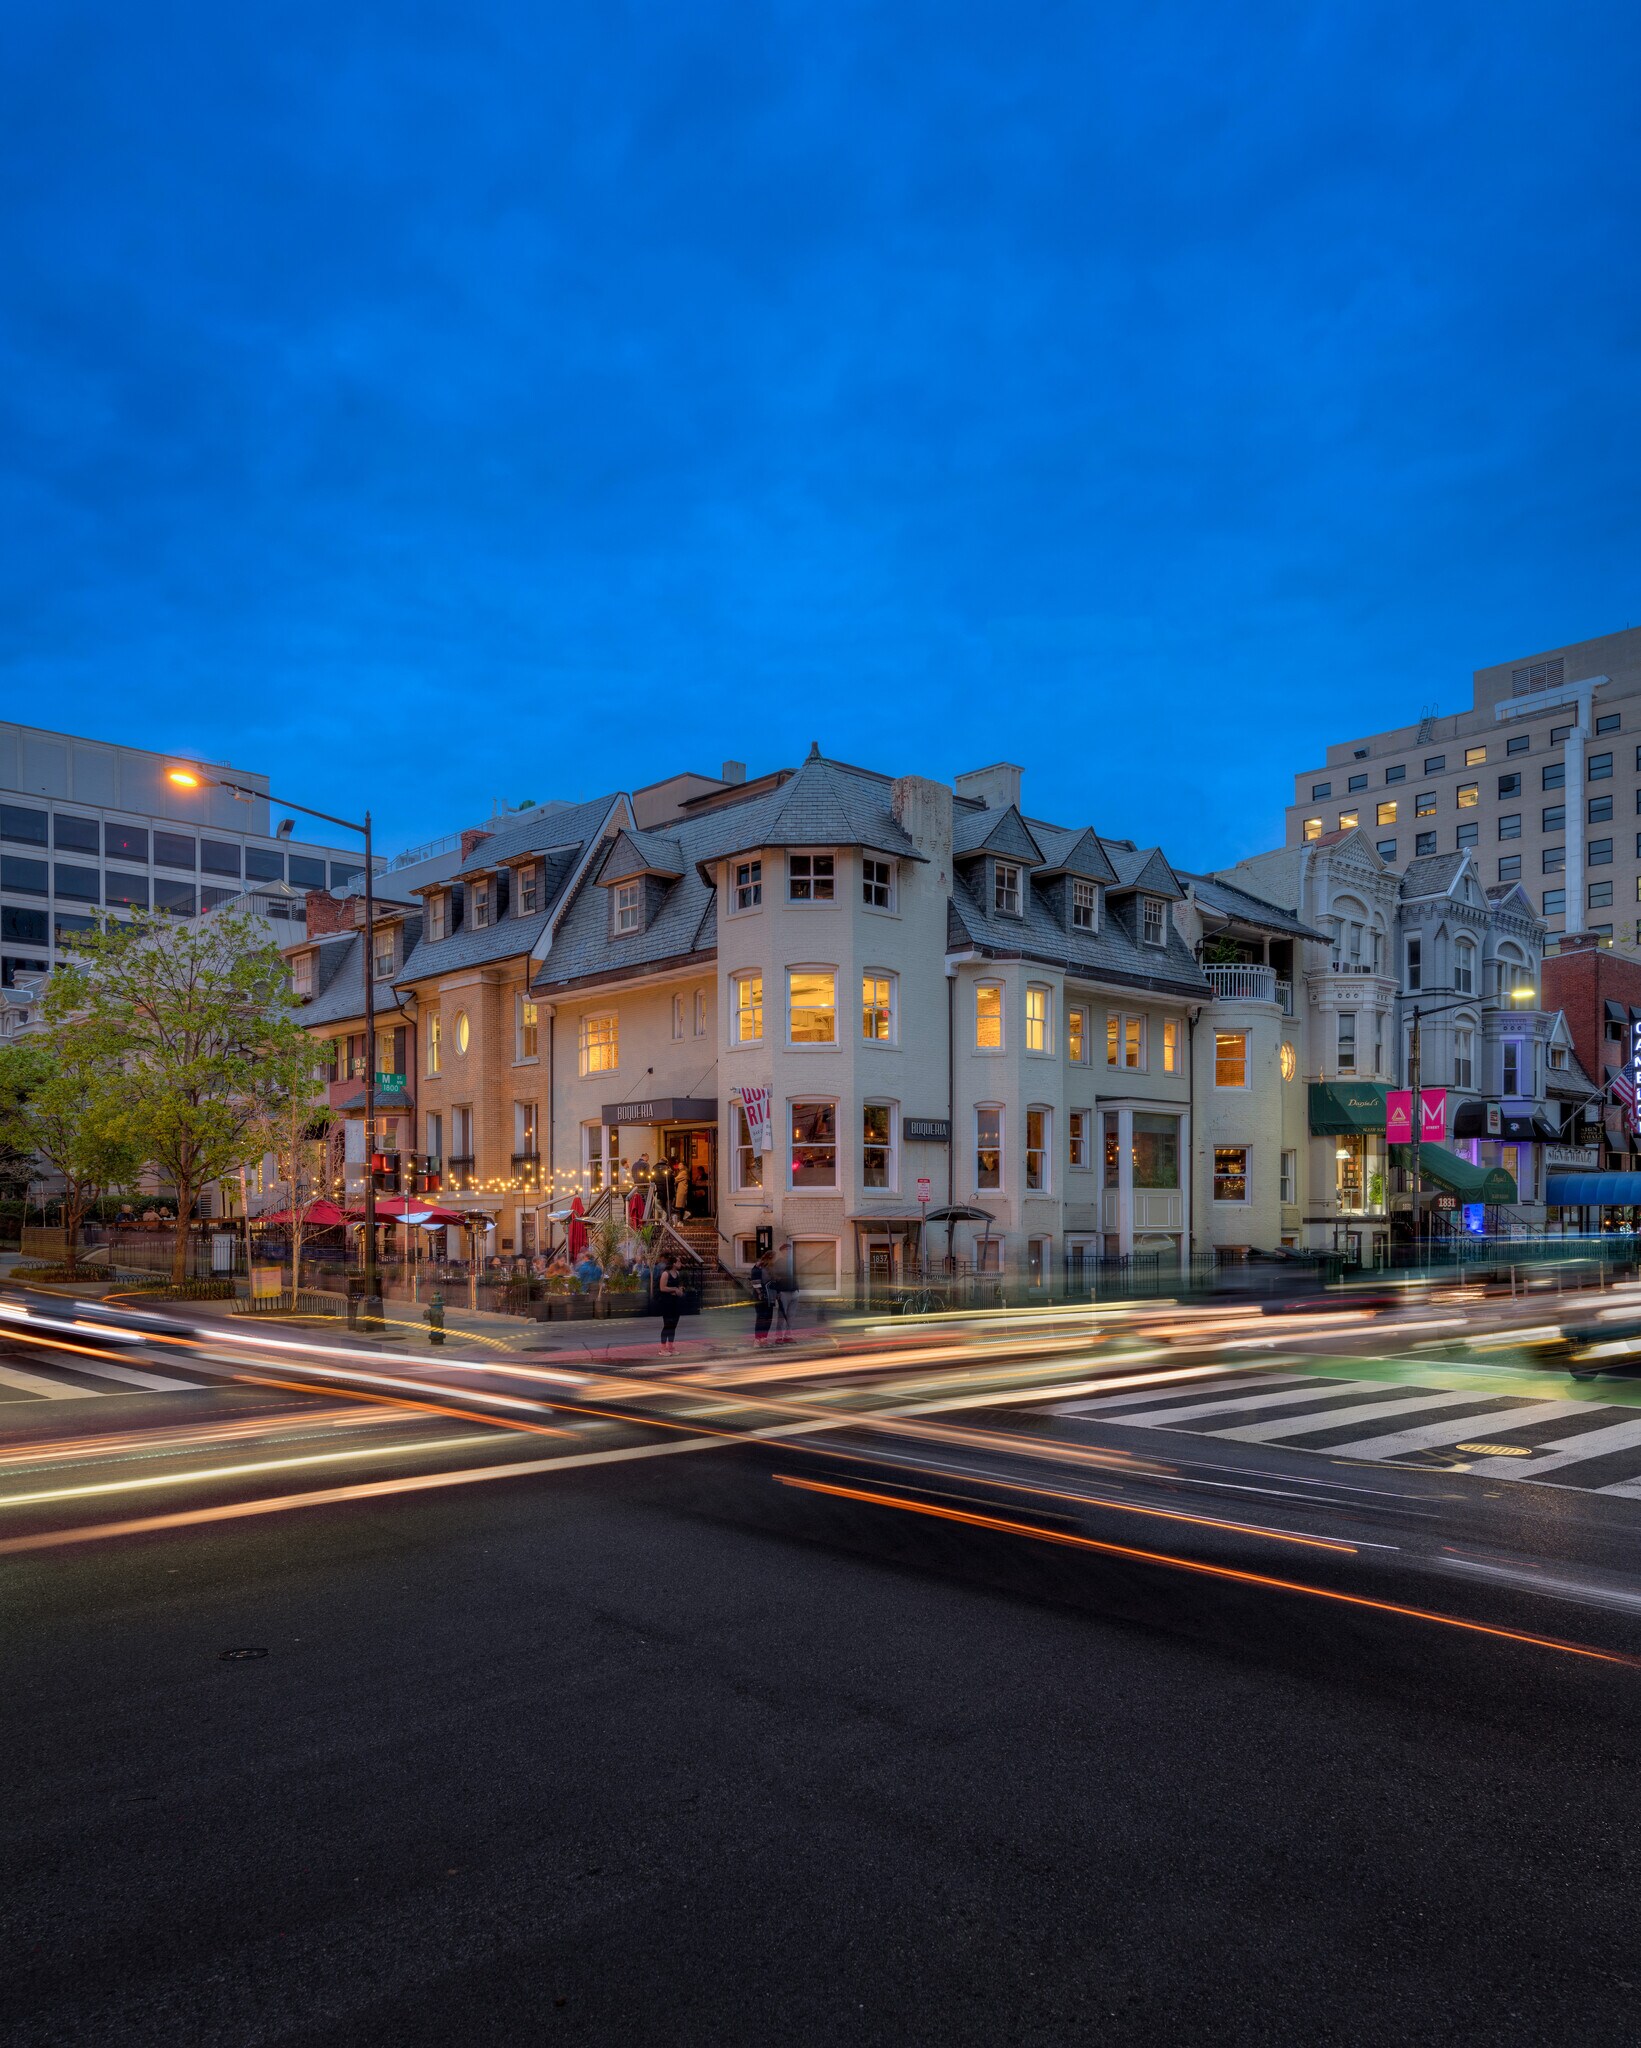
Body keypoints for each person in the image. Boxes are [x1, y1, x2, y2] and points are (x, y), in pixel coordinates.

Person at [655, 1252, 685, 1354]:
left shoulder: (678, 1274)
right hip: (667, 1302)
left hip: (675, 1302)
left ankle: (671, 1347)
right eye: (678, 1261)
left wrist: (680, 1290)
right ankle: (662, 1348)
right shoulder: (665, 1273)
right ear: (673, 1263)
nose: (680, 1263)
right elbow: (662, 1288)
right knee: (667, 1324)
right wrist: (674, 1289)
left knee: (674, 1324)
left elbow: (679, 1286)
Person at [770, 1247, 797, 1343]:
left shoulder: (793, 1262)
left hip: (794, 1292)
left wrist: (798, 1288)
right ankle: (778, 1337)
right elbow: (774, 1278)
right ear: (781, 1251)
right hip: (783, 1292)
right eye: (786, 1250)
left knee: (791, 1316)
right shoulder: (778, 1263)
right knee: (782, 1316)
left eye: (790, 1250)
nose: (788, 1252)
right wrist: (777, 1292)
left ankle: (788, 1336)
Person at [748, 1250, 774, 1346]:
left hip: (770, 1295)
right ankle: (757, 1339)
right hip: (761, 1295)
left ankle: (764, 1337)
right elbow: (755, 1281)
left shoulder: (770, 1268)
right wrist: (759, 1293)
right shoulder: (758, 1267)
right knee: (761, 1317)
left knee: (768, 1317)